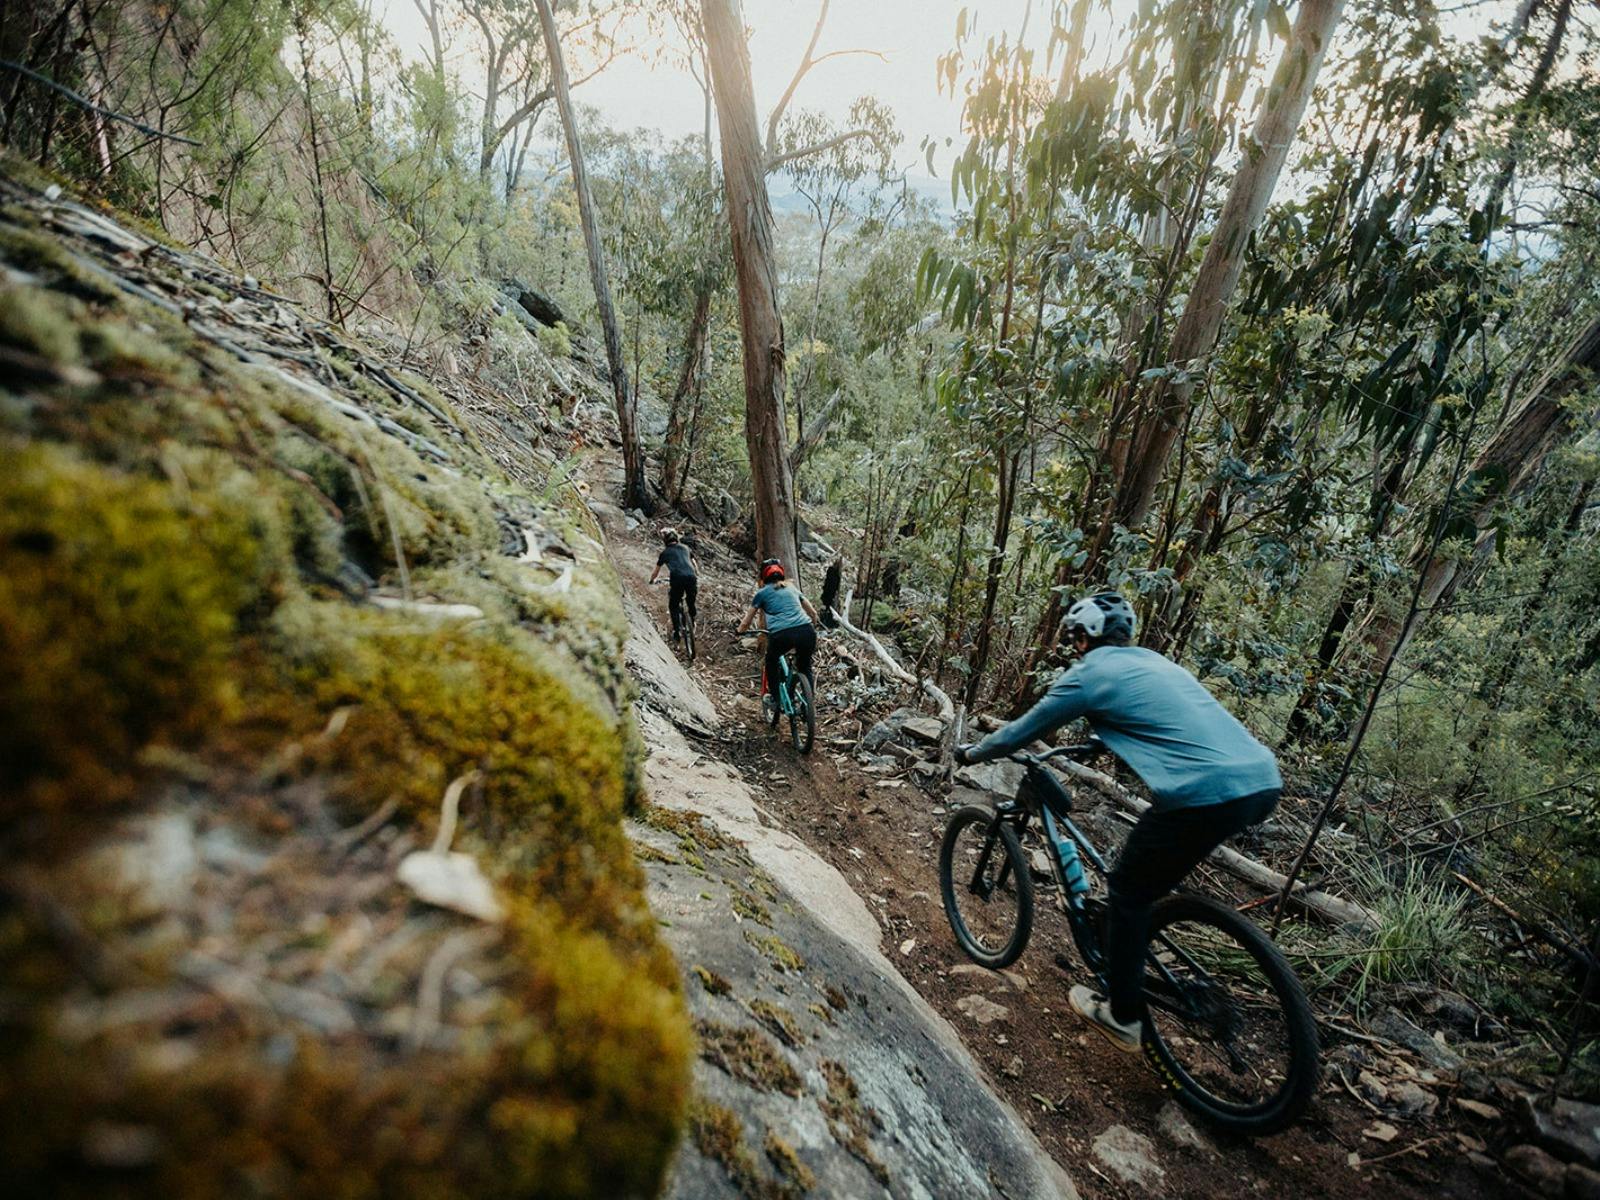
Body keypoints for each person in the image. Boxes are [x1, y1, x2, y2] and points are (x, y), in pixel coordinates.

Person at [955, 592, 1281, 1053]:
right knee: (1145, 884)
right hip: (1262, 782)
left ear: (1083, 636)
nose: (1073, 646)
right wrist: (1099, 739)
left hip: (1202, 792)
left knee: (1128, 891)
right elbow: (1165, 719)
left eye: (1074, 637)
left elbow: (1022, 731)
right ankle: (1132, 947)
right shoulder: (1153, 662)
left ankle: (1123, 1016)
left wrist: (974, 752)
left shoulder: (1089, 673)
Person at [735, 559, 820, 702]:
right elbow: (813, 613)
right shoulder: (792, 588)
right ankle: (809, 702)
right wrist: (814, 624)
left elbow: (746, 621)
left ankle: (776, 698)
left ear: (763, 577)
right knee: (805, 667)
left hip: (782, 635)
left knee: (771, 662)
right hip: (806, 631)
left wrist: (739, 632)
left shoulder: (761, 593)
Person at [649, 527, 698, 643]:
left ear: (665, 541)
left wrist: (652, 580)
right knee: (691, 601)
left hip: (677, 579)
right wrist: (696, 573)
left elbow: (655, 572)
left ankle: (677, 632)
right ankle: (692, 620)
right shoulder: (686, 548)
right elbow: (694, 563)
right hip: (691, 577)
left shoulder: (665, 553)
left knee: (674, 605)